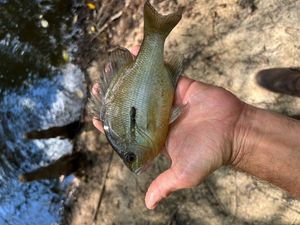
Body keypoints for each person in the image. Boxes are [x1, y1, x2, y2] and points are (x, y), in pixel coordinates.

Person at [92, 46, 300, 210]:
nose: (135, 164)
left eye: (131, 158)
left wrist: (239, 133)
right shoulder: (139, 134)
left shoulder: (138, 134)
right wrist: (236, 133)